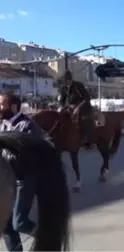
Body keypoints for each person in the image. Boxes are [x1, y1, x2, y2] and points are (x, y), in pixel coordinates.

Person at [0, 92, 42, 252]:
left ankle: (45, 235)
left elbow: (34, 153)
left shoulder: (27, 125)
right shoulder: (1, 124)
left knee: (20, 223)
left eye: (2, 104)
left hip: (23, 180)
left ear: (13, 106)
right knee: (5, 224)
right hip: (5, 181)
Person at [58, 70, 95, 148]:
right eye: (64, 81)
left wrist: (78, 108)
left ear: (69, 80)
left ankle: (88, 140)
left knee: (85, 119)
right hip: (70, 106)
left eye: (66, 81)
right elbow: (62, 100)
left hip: (83, 106)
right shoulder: (63, 88)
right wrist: (61, 107)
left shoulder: (78, 85)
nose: (65, 83)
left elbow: (87, 98)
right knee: (61, 117)